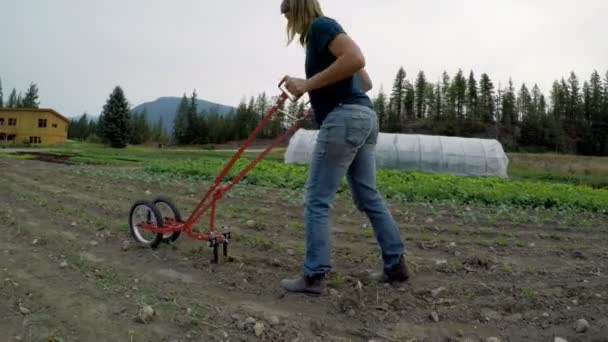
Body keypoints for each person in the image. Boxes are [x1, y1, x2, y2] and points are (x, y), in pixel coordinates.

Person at [279, 0, 409, 295]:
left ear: (297, 11)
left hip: (345, 117)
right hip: (363, 116)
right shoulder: (328, 33)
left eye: (288, 16)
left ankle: (313, 276)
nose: (289, 24)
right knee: (367, 195)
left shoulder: (321, 27)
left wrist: (309, 85)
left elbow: (356, 60)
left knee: (316, 198)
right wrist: (323, 96)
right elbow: (364, 82)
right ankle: (396, 266)